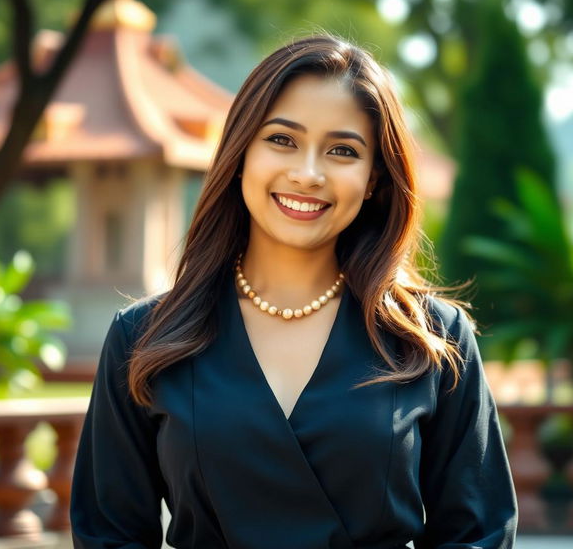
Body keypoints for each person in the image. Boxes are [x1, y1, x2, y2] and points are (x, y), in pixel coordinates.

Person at [70, 35, 518, 549]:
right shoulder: (143, 337)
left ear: (373, 179)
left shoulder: (431, 338)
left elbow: (478, 533)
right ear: (241, 153)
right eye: (282, 139)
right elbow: (109, 535)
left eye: (342, 151)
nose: (307, 174)